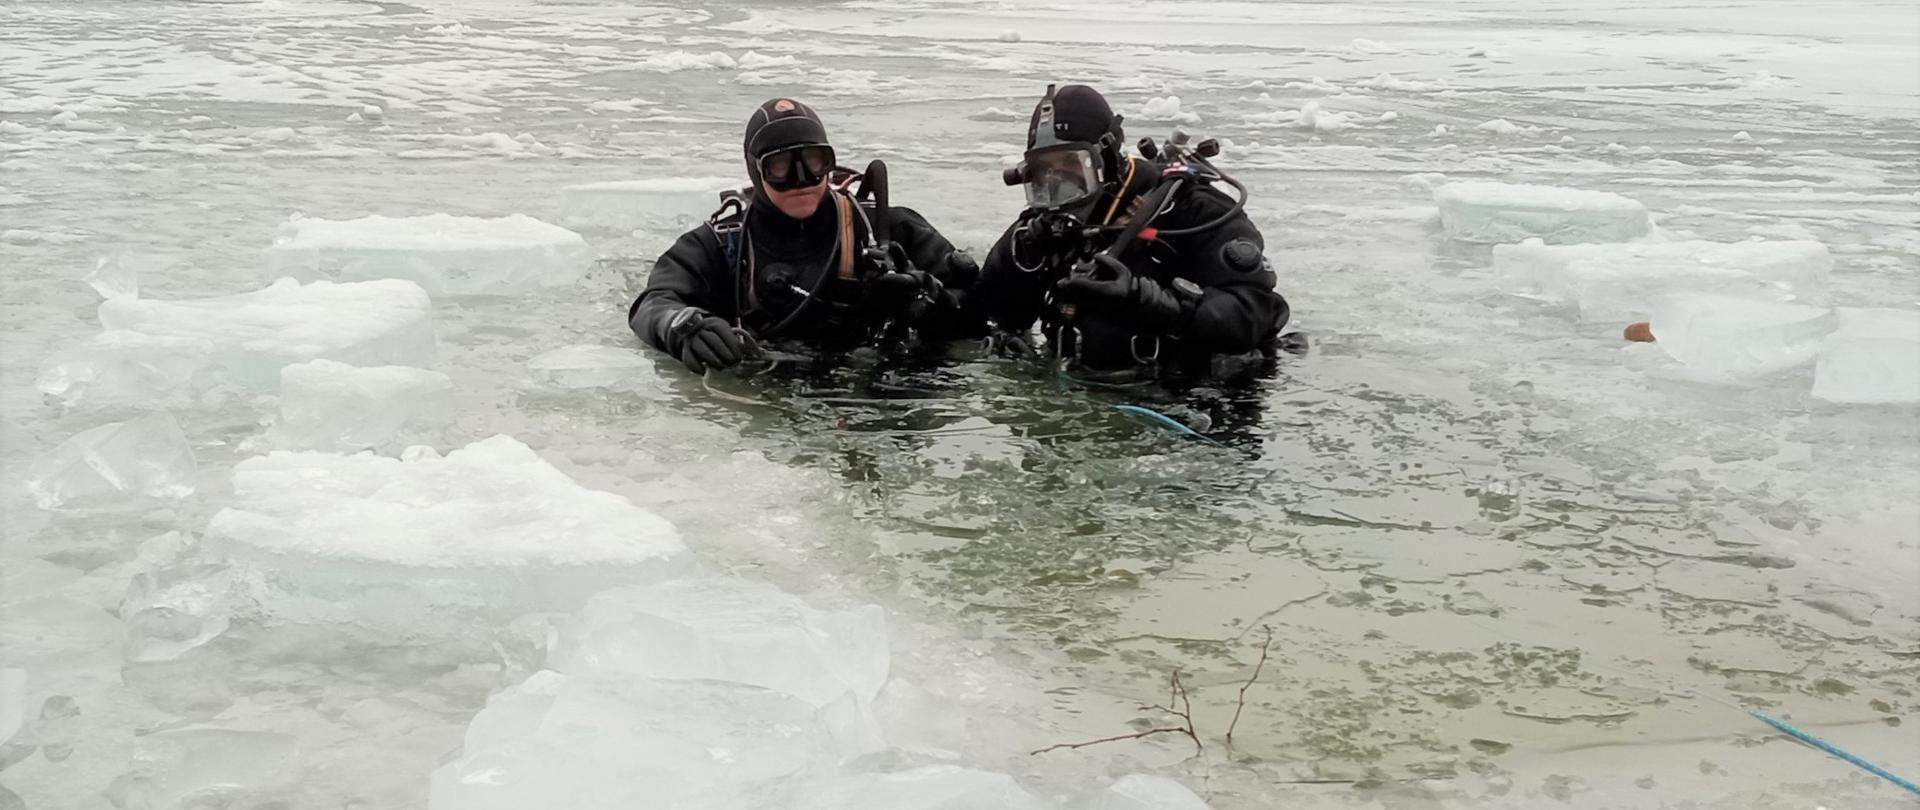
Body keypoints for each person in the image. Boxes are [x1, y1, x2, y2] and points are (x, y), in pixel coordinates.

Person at [628, 98, 981, 373]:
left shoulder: (885, 229)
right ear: (756, 171)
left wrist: (928, 298)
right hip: (769, 392)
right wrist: (683, 327)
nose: (801, 179)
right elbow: (653, 304)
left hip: (885, 385)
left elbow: (983, 307)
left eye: (814, 162)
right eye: (780, 167)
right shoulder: (724, 245)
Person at [973, 84, 1293, 383]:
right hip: (1090, 393)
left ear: (1108, 158)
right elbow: (987, 311)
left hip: (1189, 399)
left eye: (1072, 165)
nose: (1057, 183)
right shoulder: (1042, 230)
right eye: (1043, 171)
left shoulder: (1189, 210)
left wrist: (1151, 303)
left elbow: (1257, 312)